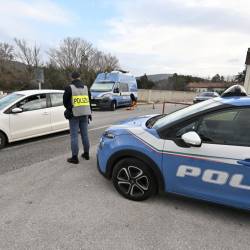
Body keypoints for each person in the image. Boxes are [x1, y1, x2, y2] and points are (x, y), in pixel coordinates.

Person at [63, 72, 92, 164]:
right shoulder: (86, 88)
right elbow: (89, 102)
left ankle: (75, 158)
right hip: (85, 114)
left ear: (72, 78)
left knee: (74, 137)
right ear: (80, 77)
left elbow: (65, 102)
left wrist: (70, 108)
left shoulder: (69, 88)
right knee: (85, 135)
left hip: (74, 115)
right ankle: (86, 154)